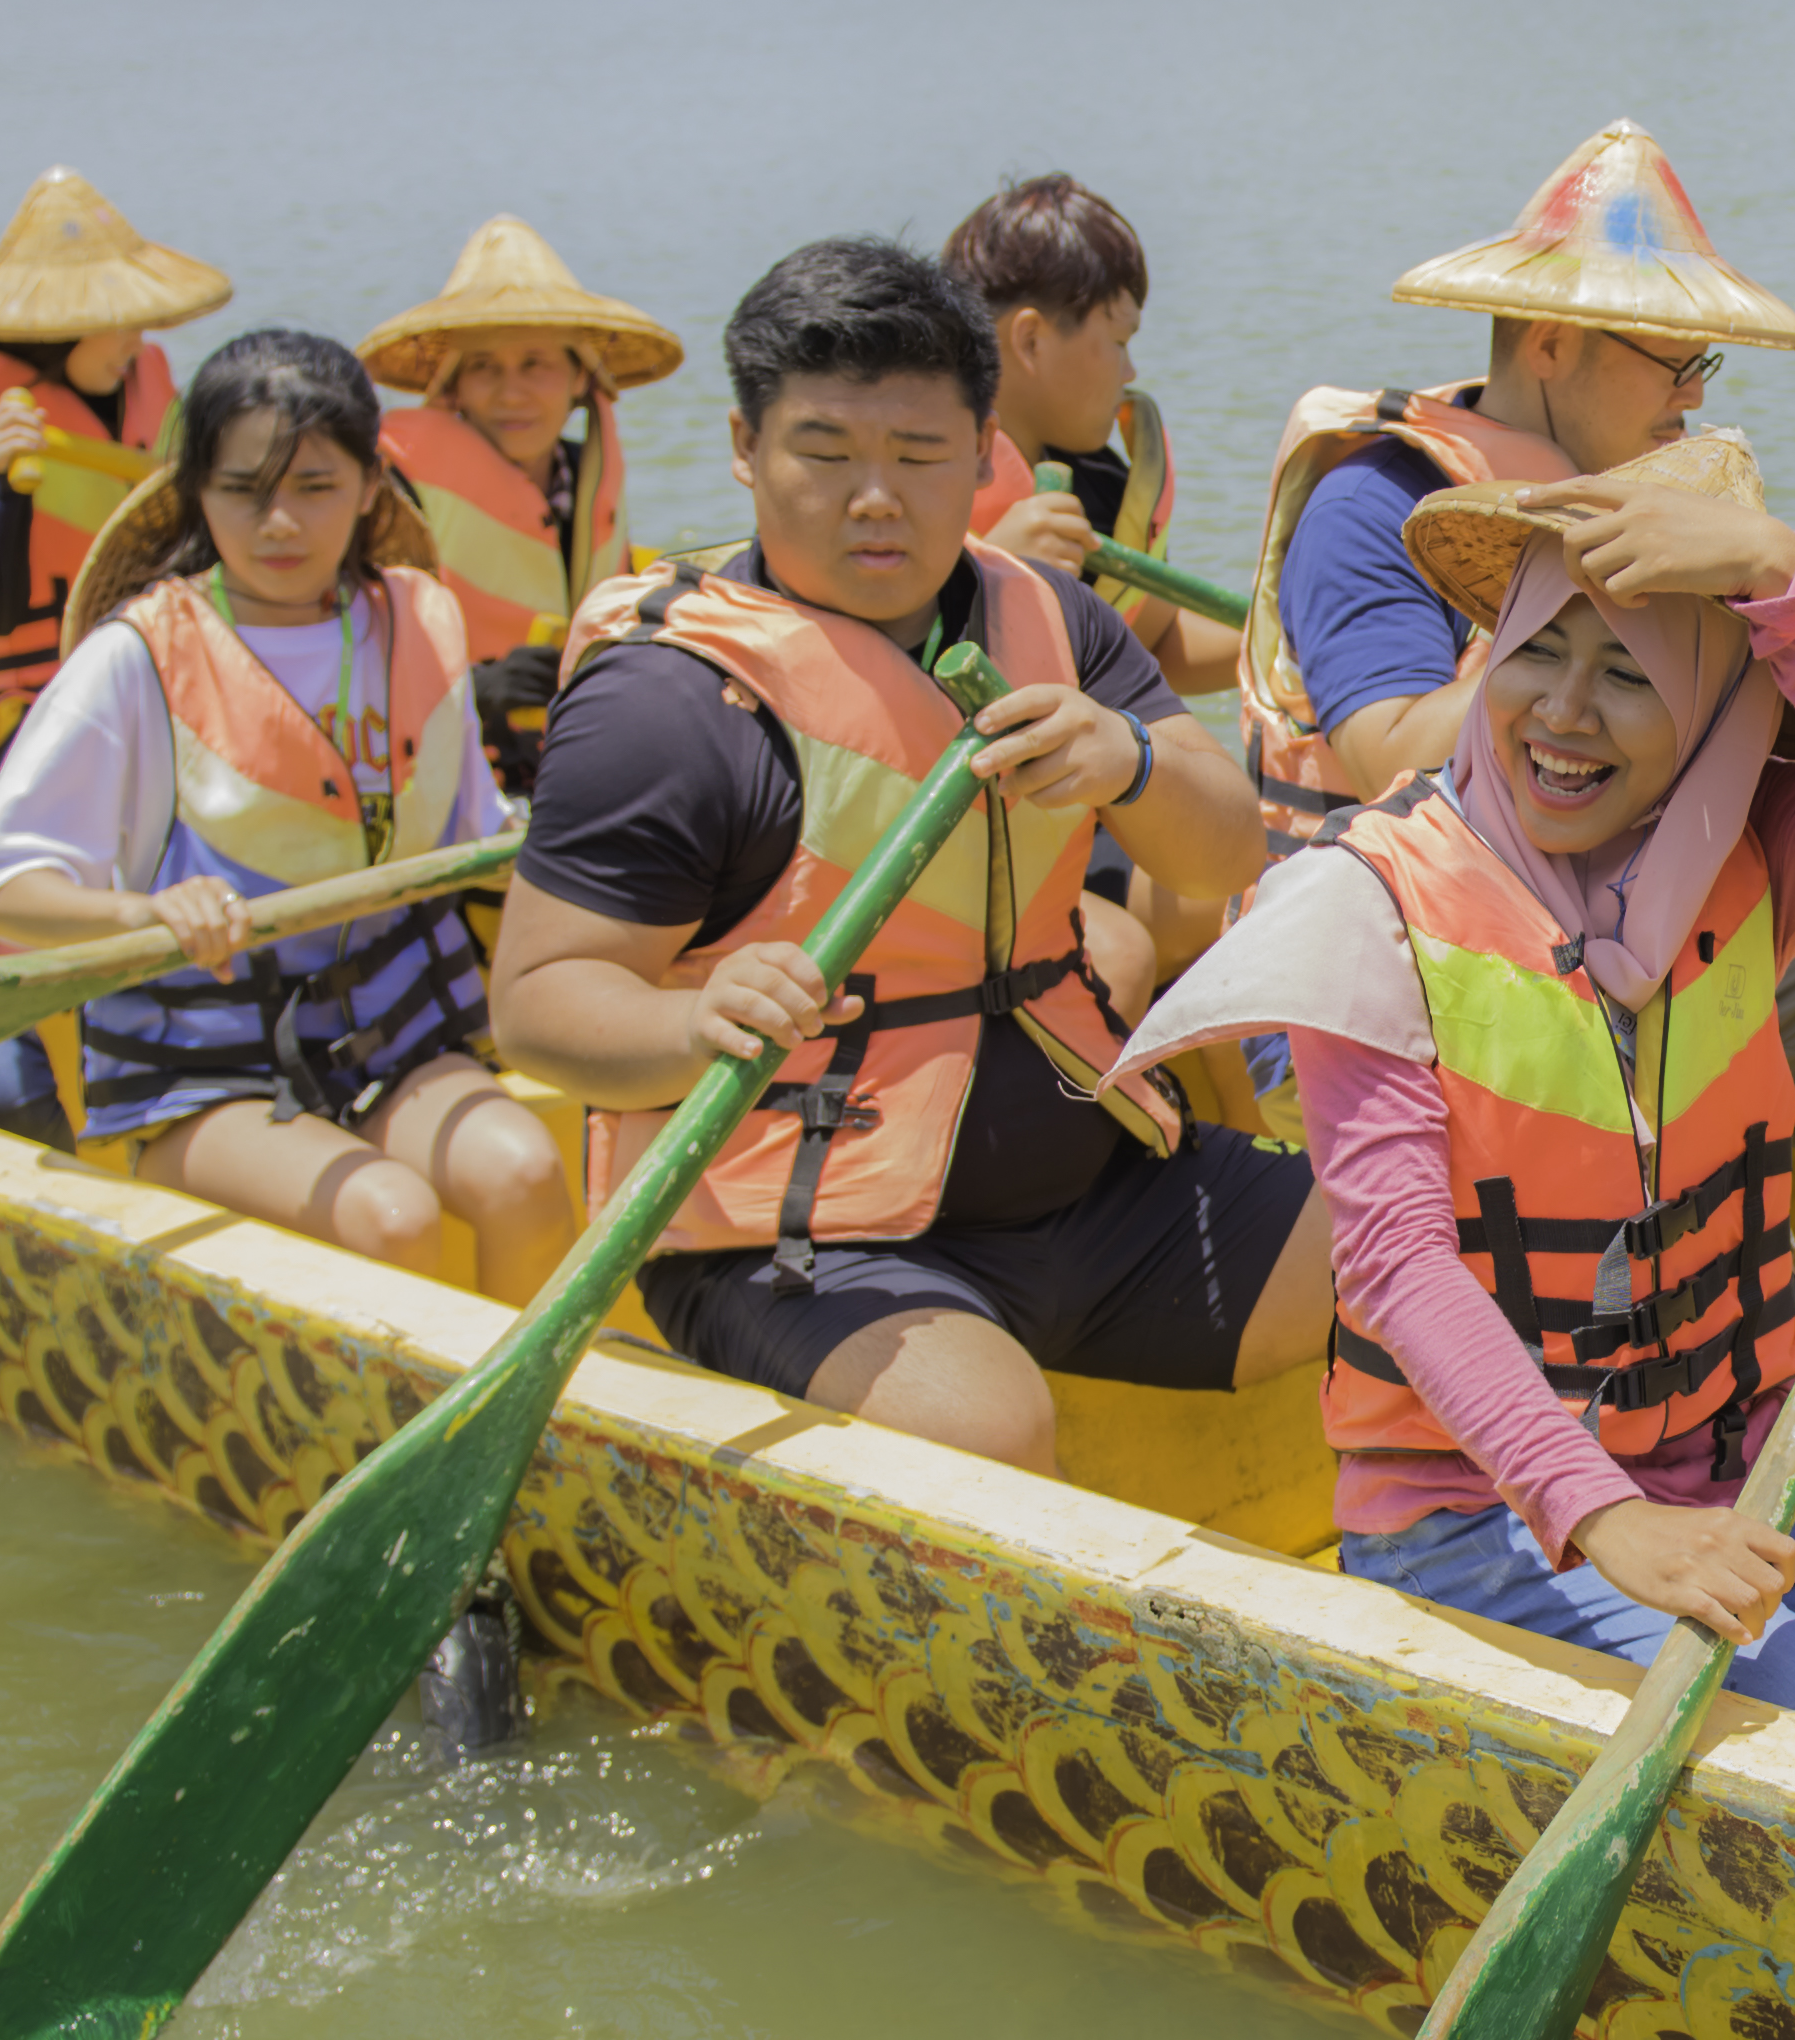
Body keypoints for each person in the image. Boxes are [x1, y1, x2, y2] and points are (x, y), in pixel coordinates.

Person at [1123, 438, 1795, 1781]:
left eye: (1634, 672)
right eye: (1538, 652)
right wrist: (1601, 1518)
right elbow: (1399, 1268)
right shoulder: (1379, 902)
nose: (1564, 714)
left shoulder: (1746, 862)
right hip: (1482, 1509)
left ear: (1717, 711)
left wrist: (1792, 584)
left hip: (1754, 1455)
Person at [491, 235, 1326, 1474]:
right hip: (799, 1235)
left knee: (1422, 1251)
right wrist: (693, 1021)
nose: (875, 496)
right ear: (742, 448)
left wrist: (1131, 765)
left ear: (984, 449)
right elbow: (536, 1007)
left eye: (921, 454)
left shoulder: (1054, 616)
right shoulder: (665, 705)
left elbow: (1214, 852)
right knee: (984, 1424)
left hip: (1091, 1185)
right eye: (823, 453)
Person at [1241, 117, 1795, 1321]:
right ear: (1551, 342)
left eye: (1708, 367)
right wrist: (1604, 640)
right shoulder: (1374, 499)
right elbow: (1384, 748)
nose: (1695, 396)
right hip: (1405, 963)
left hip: (1645, 924)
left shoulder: (1669, 493)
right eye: (1676, 362)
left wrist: (1792, 636)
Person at [0, 328, 573, 1301]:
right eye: (244, 488)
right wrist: (146, 914)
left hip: (393, 1039)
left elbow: (474, 837)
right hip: (206, 1071)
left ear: (374, 484)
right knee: (393, 1216)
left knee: (528, 1172)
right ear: (195, 490)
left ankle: (533, 1441)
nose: (278, 521)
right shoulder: (137, 656)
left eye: (316, 486)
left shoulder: (415, 617)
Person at [0, 166, 219, 777]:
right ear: (64, 322)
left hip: (164, 681)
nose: (140, 336)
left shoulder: (152, 387)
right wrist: (8, 487)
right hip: (33, 710)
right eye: (122, 316)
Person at [361, 214, 665, 804]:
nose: (511, 393)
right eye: (483, 368)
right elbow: (357, 650)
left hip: (573, 755)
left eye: (535, 364)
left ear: (580, 377)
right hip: (452, 767)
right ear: (453, 387)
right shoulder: (398, 493)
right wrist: (476, 686)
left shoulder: (587, 478)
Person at [948, 172, 1233, 690]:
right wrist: (991, 575)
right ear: (1031, 340)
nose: (1130, 374)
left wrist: (1300, 632)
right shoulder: (918, 484)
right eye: (1121, 341)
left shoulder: (1102, 484)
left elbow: (1155, 646)